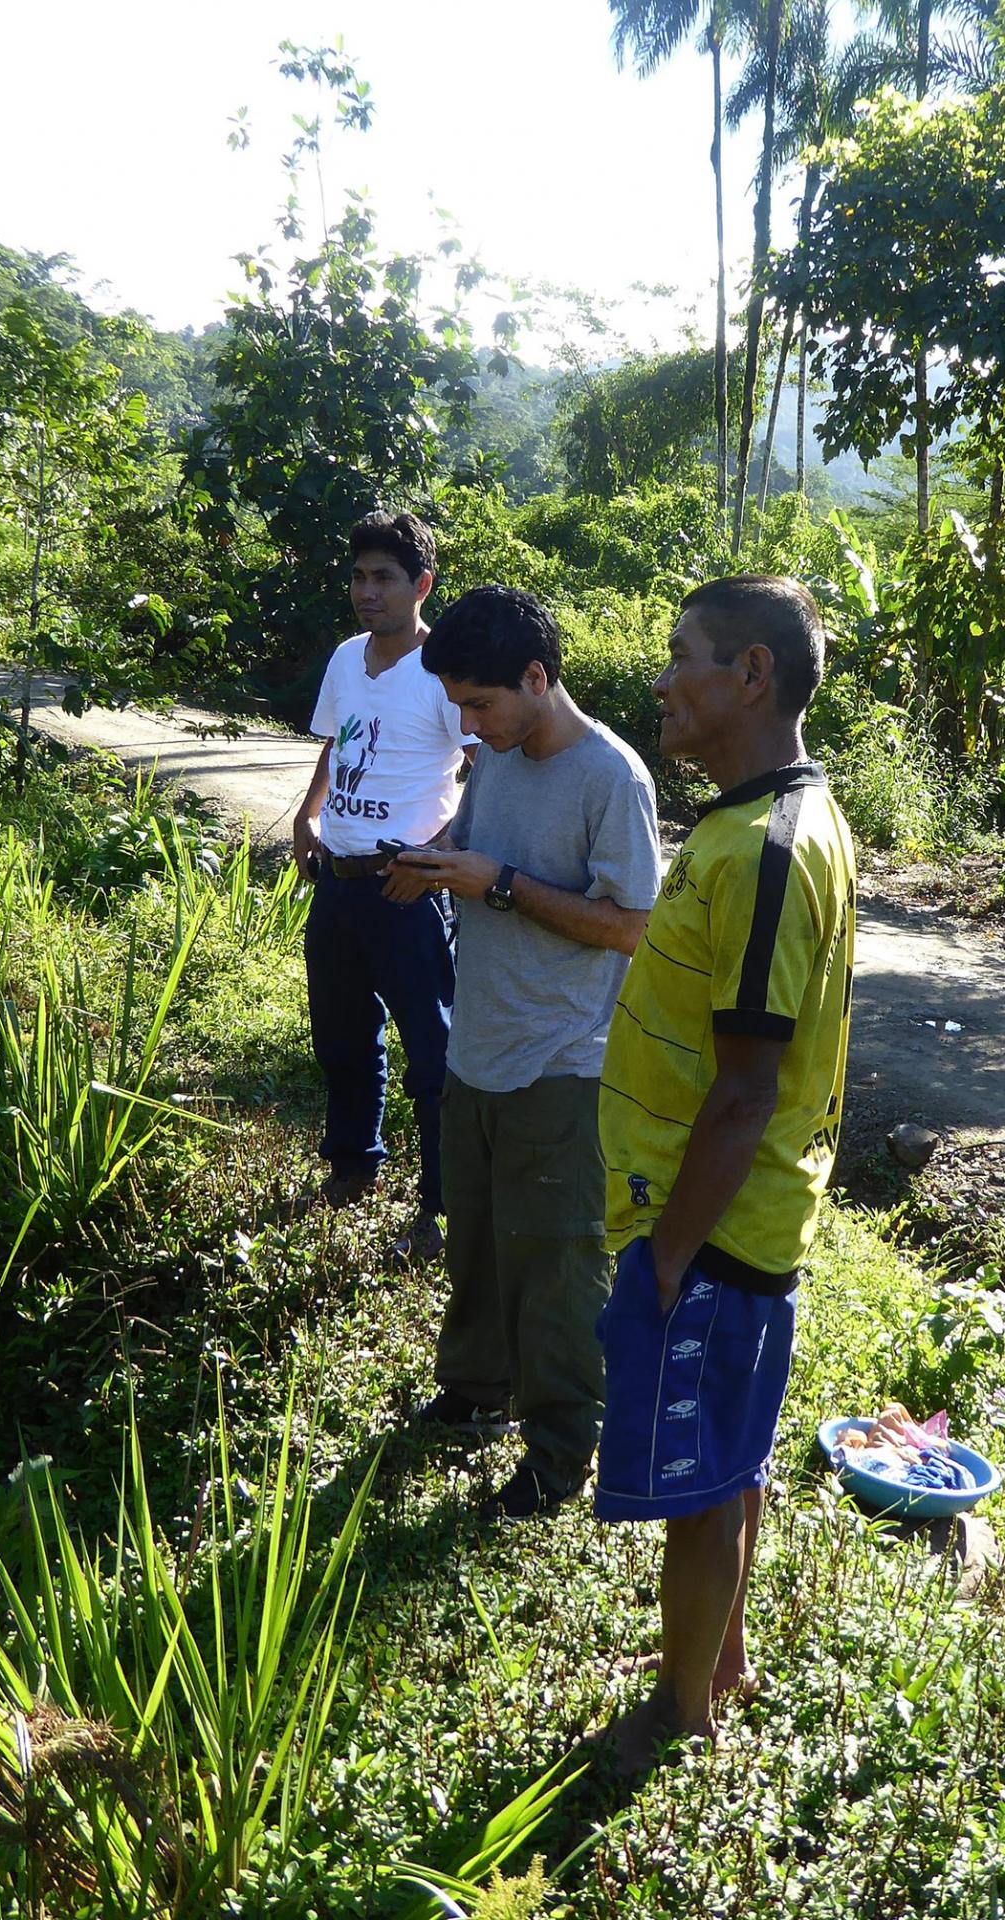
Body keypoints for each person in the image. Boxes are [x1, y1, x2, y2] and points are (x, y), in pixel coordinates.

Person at [593, 575, 855, 1769]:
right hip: (710, 1222)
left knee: (698, 1491)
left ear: (751, 675)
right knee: (733, 1460)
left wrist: (669, 1255)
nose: (662, 679)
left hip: (709, 1229)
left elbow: (748, 1087)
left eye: (682, 654)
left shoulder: (765, 848)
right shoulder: (758, 818)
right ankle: (726, 1660)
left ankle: (680, 1709)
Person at [386, 586, 660, 1520]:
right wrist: (427, 858)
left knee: (553, 1269)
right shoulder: (495, 756)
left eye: (481, 704)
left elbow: (629, 927)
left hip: (565, 1062)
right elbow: (469, 841)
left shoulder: (611, 779)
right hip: (481, 1047)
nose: (469, 723)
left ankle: (555, 1456)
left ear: (537, 679)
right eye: (459, 705)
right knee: (478, 1241)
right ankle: (472, 1392)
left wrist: (497, 885)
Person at [292, 511, 475, 1264]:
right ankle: (353, 1164)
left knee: (432, 1053)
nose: (367, 592)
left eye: (384, 579)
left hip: (407, 893)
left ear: (421, 586)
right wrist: (308, 813)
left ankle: (440, 1205)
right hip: (337, 880)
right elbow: (337, 744)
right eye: (360, 577)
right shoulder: (345, 658)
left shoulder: (444, 671)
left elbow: (481, 768)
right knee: (340, 1035)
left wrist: (433, 856)